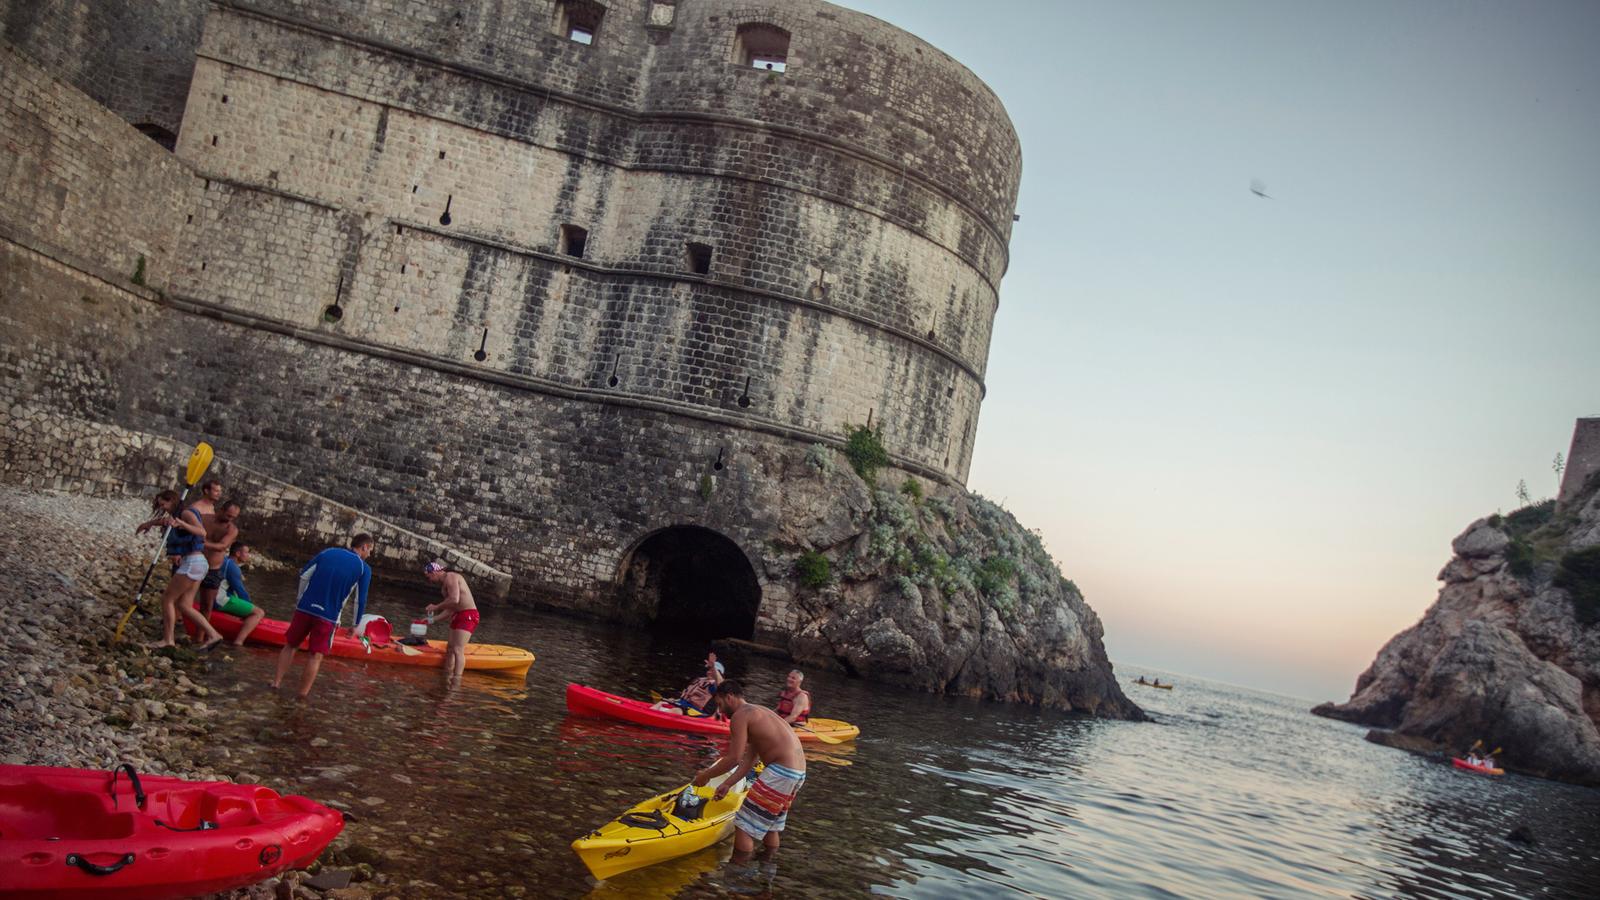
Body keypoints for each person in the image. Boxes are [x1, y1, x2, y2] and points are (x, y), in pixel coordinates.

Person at [691, 680, 807, 857]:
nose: (720, 710)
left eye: (720, 704)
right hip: (797, 772)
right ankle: (767, 870)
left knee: (743, 826)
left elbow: (733, 758)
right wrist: (728, 784)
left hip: (781, 771)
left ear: (729, 697)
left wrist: (705, 776)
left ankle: (738, 876)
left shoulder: (740, 716)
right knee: (771, 825)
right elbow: (750, 759)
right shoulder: (758, 712)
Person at [271, 534, 374, 700]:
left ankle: (276, 683)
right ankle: (301, 695)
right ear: (364, 547)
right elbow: (360, 600)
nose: (369, 555)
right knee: (315, 656)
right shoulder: (364, 568)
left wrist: (300, 600)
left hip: (304, 608)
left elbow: (304, 575)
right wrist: (355, 624)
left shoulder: (328, 552)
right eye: (370, 551)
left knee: (290, 645)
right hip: (329, 616)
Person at [140, 490, 225, 651]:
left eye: (163, 504)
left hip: (193, 562)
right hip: (196, 563)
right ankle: (214, 635)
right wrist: (149, 524)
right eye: (159, 505)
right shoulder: (175, 515)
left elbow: (201, 532)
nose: (162, 507)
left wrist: (182, 524)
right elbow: (165, 521)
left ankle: (168, 639)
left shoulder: (186, 513)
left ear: (172, 501)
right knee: (185, 605)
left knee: (167, 600)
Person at [422, 560, 478, 689]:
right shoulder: (444, 588)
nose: (429, 579)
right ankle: (446, 677)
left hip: (469, 615)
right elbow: (451, 609)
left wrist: (436, 606)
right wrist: (432, 620)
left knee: (458, 649)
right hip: (458, 614)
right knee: (450, 649)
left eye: (429, 576)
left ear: (435, 572)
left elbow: (455, 599)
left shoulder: (451, 577)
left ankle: (456, 682)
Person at [197, 499, 242, 618]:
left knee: (206, 605)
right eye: (228, 515)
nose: (230, 519)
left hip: (212, 569)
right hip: (194, 564)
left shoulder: (231, 529)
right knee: (182, 596)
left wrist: (200, 543)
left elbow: (222, 546)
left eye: (233, 517)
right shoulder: (204, 518)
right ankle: (176, 623)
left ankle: (200, 637)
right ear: (221, 509)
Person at [216, 541, 265, 646]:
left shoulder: (225, 561)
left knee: (237, 599)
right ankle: (238, 642)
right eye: (246, 552)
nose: (248, 555)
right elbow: (241, 592)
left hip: (214, 596)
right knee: (258, 612)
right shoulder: (233, 568)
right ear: (238, 554)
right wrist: (249, 608)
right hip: (219, 600)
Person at [651, 652, 724, 715]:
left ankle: (652, 720)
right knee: (661, 703)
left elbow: (721, 683)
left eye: (713, 670)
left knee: (677, 711)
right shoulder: (700, 680)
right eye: (709, 669)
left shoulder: (716, 685)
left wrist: (713, 667)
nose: (710, 671)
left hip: (698, 712)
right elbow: (688, 696)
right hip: (685, 706)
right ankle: (646, 717)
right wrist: (675, 700)